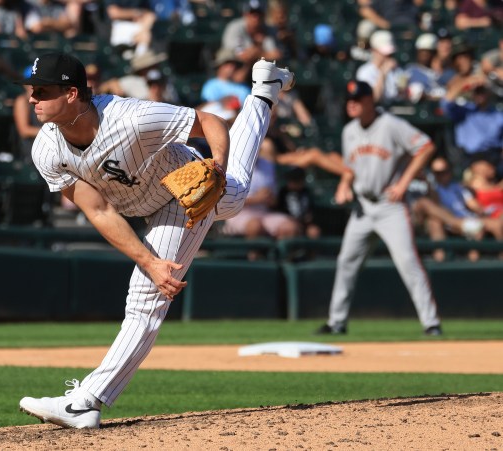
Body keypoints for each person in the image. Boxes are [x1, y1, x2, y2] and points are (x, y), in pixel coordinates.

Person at [17, 52, 295, 428]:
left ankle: (86, 402)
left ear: (71, 93)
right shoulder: (46, 149)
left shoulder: (132, 118)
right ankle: (264, 90)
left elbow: (209, 120)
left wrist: (216, 168)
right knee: (237, 193)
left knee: (145, 298)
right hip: (141, 205)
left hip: (180, 195)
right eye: (31, 91)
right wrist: (150, 260)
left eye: (41, 91)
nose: (31, 99)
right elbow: (98, 210)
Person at [315, 80, 442, 336]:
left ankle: (431, 323)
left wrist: (404, 182)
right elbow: (350, 167)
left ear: (370, 101)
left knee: (408, 262)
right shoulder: (349, 130)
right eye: (349, 100)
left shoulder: (391, 125)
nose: (352, 104)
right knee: (346, 262)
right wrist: (344, 184)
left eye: (358, 99)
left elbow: (426, 147)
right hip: (362, 208)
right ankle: (336, 322)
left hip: (390, 207)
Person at [222, 141, 299, 258]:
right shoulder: (230, 164)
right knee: (255, 226)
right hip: (236, 213)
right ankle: (254, 262)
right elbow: (225, 200)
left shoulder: (268, 165)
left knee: (291, 227)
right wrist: (257, 199)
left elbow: (275, 199)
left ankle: (280, 264)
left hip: (264, 212)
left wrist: (269, 198)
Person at [440, 77, 503, 176]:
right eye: (477, 92)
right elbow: (445, 103)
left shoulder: (498, 116)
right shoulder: (465, 111)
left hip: (493, 160)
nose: (480, 95)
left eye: (482, 91)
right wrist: (466, 82)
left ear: (489, 93)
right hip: (468, 159)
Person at [221, 0, 282, 84]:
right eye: (252, 13)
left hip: (260, 72)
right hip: (235, 69)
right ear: (245, 14)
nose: (255, 17)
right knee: (232, 69)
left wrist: (254, 52)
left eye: (259, 14)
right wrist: (259, 48)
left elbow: (276, 55)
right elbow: (242, 56)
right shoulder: (235, 28)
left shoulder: (269, 29)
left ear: (263, 16)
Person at [356, 29, 404, 103]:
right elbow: (374, 99)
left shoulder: (397, 70)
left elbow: (403, 97)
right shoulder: (365, 72)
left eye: (390, 54)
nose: (388, 56)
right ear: (374, 51)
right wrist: (383, 74)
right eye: (385, 53)